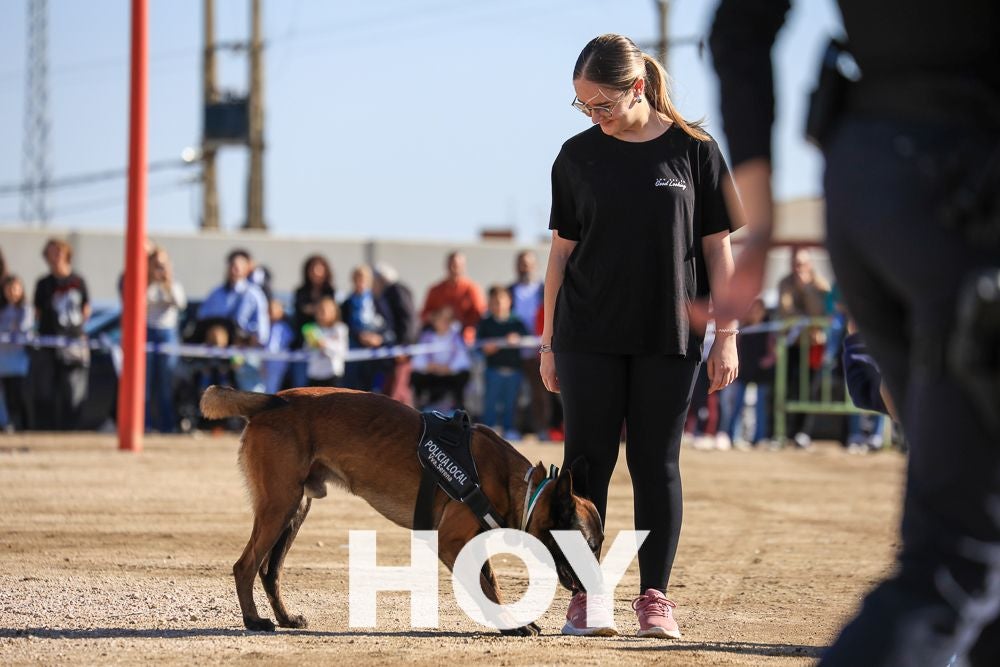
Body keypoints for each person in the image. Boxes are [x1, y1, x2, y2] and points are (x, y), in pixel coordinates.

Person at [710, 2, 1000, 664]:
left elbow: (739, 27)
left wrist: (760, 220)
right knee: (958, 560)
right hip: (970, 191)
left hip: (866, 181)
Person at [541, 34, 740, 638]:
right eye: (584, 108)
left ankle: (655, 598)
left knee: (656, 463)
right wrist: (548, 343)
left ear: (637, 88)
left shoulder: (696, 152)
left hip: (669, 334)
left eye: (603, 105)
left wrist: (727, 334)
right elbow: (558, 257)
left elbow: (718, 250)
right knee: (586, 463)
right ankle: (585, 595)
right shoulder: (576, 157)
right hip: (586, 335)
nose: (595, 118)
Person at [32, 238, 92, 431]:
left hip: (73, 342)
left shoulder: (78, 281)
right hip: (49, 342)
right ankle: (46, 431)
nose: (55, 256)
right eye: (51, 252)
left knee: (73, 390)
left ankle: (71, 432)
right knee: (45, 390)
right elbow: (37, 313)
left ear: (67, 254)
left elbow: (86, 310)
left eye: (59, 251)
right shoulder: (43, 284)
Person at [776, 246, 831, 448]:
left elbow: (821, 312)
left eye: (802, 264)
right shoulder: (785, 283)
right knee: (789, 386)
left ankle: (803, 432)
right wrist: (804, 321)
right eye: (795, 264)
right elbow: (785, 310)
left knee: (811, 389)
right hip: (793, 345)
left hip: (814, 347)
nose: (798, 268)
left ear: (809, 264)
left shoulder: (820, 285)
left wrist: (807, 290)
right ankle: (787, 431)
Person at [196, 249, 270, 392]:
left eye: (240, 264)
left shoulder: (254, 294)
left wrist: (248, 341)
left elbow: (262, 331)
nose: (235, 268)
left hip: (244, 353)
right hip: (216, 356)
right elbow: (203, 317)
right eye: (232, 264)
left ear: (248, 267)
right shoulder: (216, 292)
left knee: (250, 398)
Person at [477, 285, 529, 440]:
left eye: (501, 301)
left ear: (509, 301)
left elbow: (526, 340)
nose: (498, 305)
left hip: (513, 370)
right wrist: (486, 348)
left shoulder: (516, 322)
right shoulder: (485, 322)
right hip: (493, 370)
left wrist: (517, 339)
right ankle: (488, 429)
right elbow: (478, 345)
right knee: (490, 402)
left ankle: (510, 428)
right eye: (494, 302)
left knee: (511, 402)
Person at [145, 246, 186, 433]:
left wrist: (167, 284)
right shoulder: (146, 286)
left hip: (167, 333)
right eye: (156, 265)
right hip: (148, 332)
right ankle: (145, 424)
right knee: (145, 383)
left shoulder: (174, 286)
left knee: (165, 384)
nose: (160, 269)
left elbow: (180, 304)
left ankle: (167, 425)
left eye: (163, 265)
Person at [508, 250, 547, 438]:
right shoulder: (508, 291)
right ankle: (513, 429)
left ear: (535, 265)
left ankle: (542, 429)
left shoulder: (545, 290)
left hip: (540, 351)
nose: (525, 267)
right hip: (514, 352)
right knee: (513, 393)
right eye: (522, 263)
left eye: (528, 263)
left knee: (541, 393)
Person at [340, 265, 394, 391]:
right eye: (357, 278)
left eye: (363, 279)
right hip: (354, 351)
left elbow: (388, 323)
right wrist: (359, 335)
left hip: (374, 351)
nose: (360, 282)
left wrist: (378, 338)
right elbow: (344, 325)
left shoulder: (377, 300)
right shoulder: (347, 303)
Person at [410, 306, 471, 411]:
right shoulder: (426, 337)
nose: (443, 323)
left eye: (447, 320)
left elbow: (463, 360)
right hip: (432, 373)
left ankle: (458, 409)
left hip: (450, 375)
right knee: (416, 377)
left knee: (463, 376)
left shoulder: (456, 338)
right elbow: (417, 360)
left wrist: (448, 368)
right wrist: (429, 366)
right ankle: (419, 409)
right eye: (440, 319)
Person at [373, 262, 417, 406]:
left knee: (396, 392)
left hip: (401, 351)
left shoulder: (397, 291)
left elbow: (408, 319)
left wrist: (404, 346)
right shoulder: (389, 293)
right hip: (394, 350)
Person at [420, 251, 486, 345]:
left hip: (464, 338)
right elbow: (424, 314)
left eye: (457, 265)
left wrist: (461, 323)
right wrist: (439, 317)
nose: (454, 268)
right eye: (451, 264)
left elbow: (479, 314)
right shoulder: (435, 290)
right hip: (439, 338)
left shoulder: (472, 289)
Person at [291, 255, 337, 387]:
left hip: (324, 347)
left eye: (319, 268)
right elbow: (299, 312)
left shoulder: (330, 291)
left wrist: (311, 309)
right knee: (300, 385)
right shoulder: (300, 291)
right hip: (303, 344)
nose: (316, 272)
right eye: (313, 269)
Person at [0, 275, 34, 431]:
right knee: (4, 398)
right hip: (3, 361)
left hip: (18, 363)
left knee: (17, 397)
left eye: (15, 288)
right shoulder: (3, 310)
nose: (12, 292)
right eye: (8, 288)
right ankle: (7, 425)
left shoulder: (25, 309)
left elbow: (23, 330)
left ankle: (24, 427)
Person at [302, 296, 349, 388]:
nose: (322, 313)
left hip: (332, 375)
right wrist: (310, 344)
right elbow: (305, 351)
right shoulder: (312, 328)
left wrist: (325, 344)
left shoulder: (340, 329)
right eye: (320, 309)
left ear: (334, 312)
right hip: (315, 374)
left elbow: (342, 351)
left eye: (326, 310)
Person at [262, 298, 294, 395]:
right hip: (265, 361)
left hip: (278, 363)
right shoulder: (264, 326)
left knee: (273, 387)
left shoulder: (284, 326)